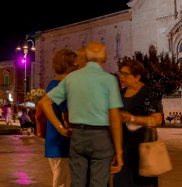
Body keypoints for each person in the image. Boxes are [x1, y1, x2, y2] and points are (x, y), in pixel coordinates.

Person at [39, 41, 124, 187]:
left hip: (78, 136)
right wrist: (119, 151)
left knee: (77, 183)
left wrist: (60, 128)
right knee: (98, 182)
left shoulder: (72, 79)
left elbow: (44, 102)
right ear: (104, 58)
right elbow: (114, 116)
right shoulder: (109, 80)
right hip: (100, 137)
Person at [112, 59, 163, 187]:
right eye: (120, 73)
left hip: (142, 150)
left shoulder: (147, 94)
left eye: (125, 74)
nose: (121, 77)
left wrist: (132, 119)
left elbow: (157, 120)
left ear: (137, 77)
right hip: (123, 148)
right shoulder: (120, 94)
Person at [39, 48, 79, 187]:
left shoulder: (52, 84)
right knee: (62, 182)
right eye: (76, 65)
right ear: (68, 67)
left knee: (61, 179)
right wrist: (65, 129)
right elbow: (66, 114)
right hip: (61, 144)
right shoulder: (61, 86)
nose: (78, 68)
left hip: (54, 143)